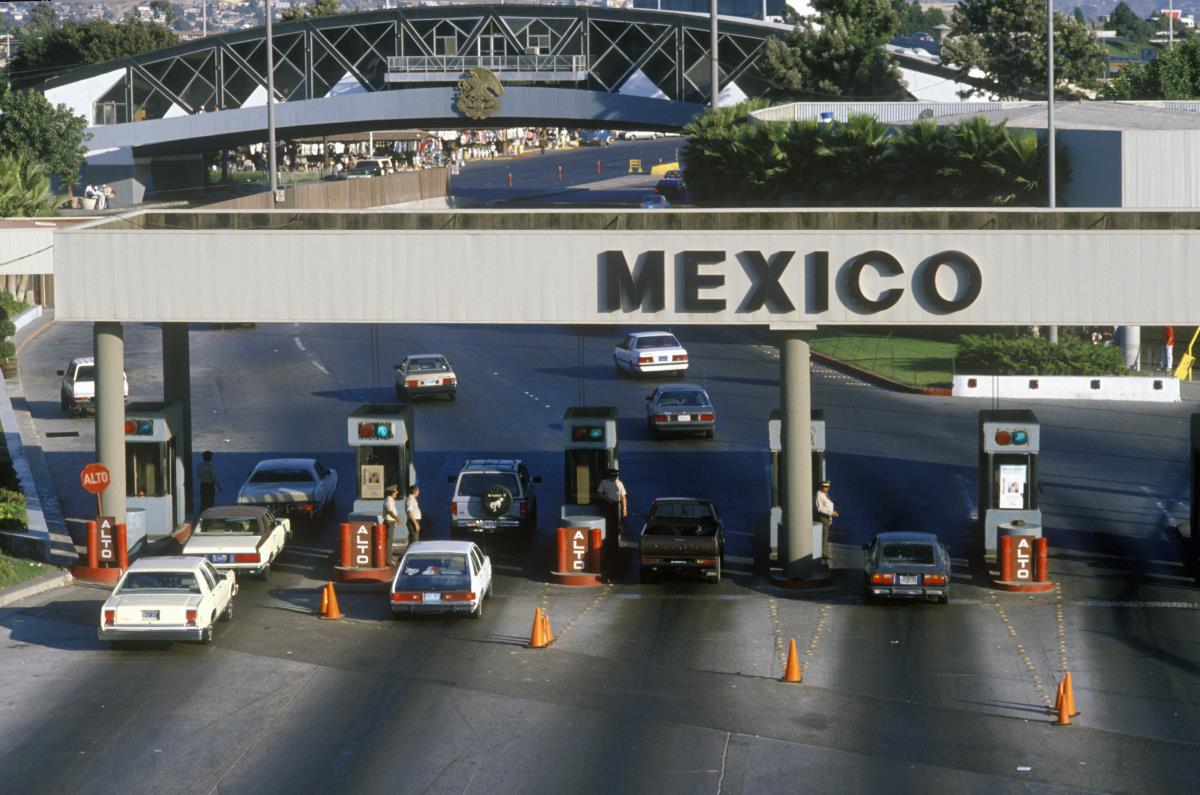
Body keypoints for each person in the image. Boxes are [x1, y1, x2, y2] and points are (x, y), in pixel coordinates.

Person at [596, 468, 627, 576]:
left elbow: (623, 496)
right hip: (607, 503)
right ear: (609, 476)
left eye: (616, 476)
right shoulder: (604, 482)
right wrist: (606, 498)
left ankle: (616, 537)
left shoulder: (619, 483)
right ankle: (608, 539)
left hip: (616, 504)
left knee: (617, 522)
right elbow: (599, 492)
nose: (614, 478)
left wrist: (624, 508)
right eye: (613, 476)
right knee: (608, 521)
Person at [814, 480, 839, 561]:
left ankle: (824, 553)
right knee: (824, 536)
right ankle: (823, 554)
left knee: (825, 536)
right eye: (825, 487)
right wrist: (831, 513)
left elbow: (827, 506)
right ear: (821, 487)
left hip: (827, 517)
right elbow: (819, 508)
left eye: (828, 487)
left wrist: (831, 516)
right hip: (823, 517)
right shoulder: (819, 495)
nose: (827, 488)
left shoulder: (825, 495)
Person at [384, 484, 402, 551]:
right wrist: (397, 519)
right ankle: (388, 557)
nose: (397, 492)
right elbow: (390, 511)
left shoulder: (391, 500)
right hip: (389, 522)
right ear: (392, 492)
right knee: (389, 541)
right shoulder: (388, 500)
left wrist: (395, 521)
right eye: (395, 491)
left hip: (392, 522)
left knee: (390, 540)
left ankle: (389, 555)